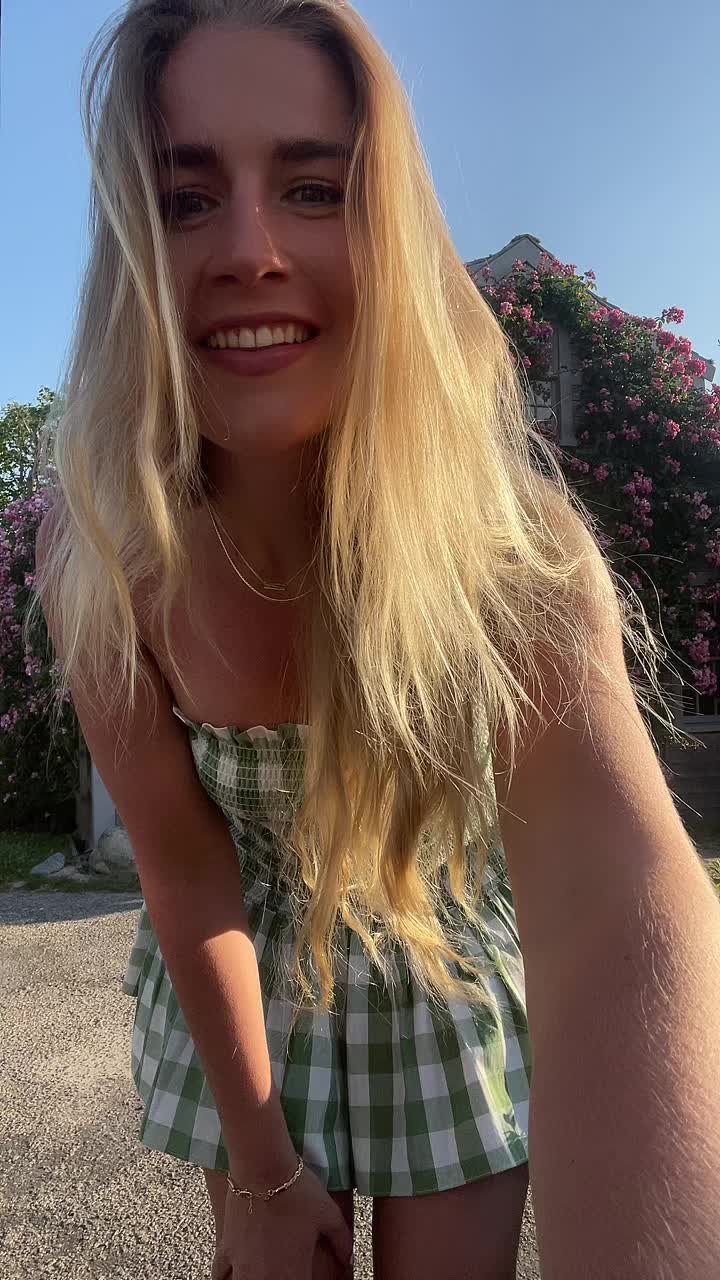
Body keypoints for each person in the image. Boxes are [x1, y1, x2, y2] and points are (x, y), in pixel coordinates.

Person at [35, 2, 720, 1278]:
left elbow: (619, 903)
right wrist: (262, 1165)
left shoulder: (506, 553)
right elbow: (184, 866)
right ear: (130, 244)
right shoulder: (113, 560)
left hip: (448, 984)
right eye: (186, 200)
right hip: (247, 1011)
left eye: (313, 188)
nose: (250, 249)